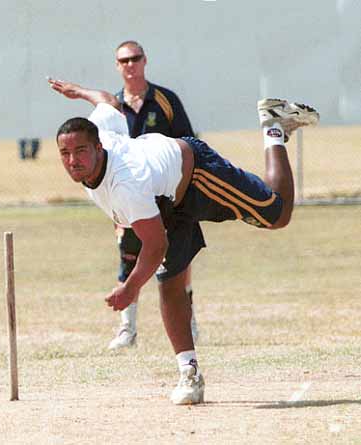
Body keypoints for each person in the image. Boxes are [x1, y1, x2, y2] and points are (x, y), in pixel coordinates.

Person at [48, 77, 318, 404]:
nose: (73, 160)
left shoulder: (126, 184)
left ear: (98, 147)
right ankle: (189, 374)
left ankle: (273, 125)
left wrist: (130, 288)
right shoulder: (99, 130)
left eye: (80, 151)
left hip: (195, 175)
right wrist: (79, 93)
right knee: (170, 282)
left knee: (278, 214)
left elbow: (156, 245)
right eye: (65, 153)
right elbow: (107, 101)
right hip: (162, 198)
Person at [109, 40, 198, 350]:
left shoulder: (165, 100)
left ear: (145, 61)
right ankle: (127, 328)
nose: (130, 65)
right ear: (117, 66)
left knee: (179, 258)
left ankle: (188, 320)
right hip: (132, 197)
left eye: (135, 58)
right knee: (129, 257)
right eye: (124, 60)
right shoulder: (114, 107)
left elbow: (187, 143)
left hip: (168, 193)